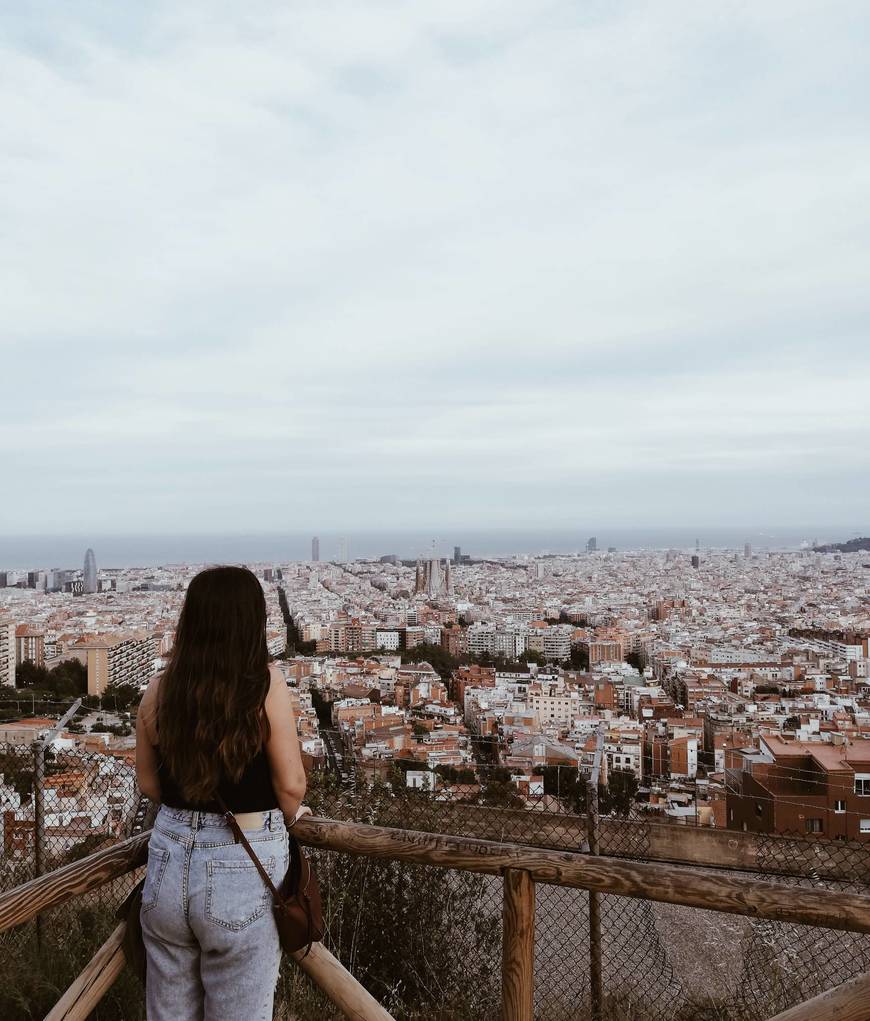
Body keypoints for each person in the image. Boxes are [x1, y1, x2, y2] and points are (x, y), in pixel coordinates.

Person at [135, 565, 309, 1021]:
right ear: (251, 620)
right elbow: (291, 785)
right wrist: (293, 816)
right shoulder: (264, 684)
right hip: (240, 867)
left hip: (167, 866)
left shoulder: (158, 689)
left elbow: (149, 784)